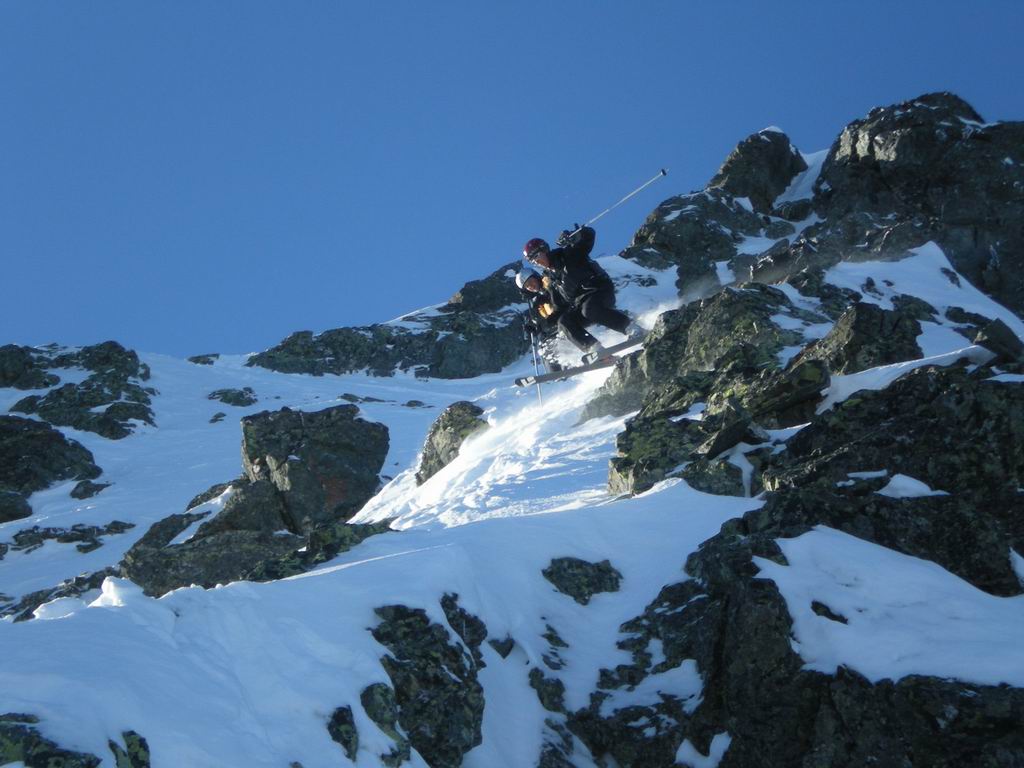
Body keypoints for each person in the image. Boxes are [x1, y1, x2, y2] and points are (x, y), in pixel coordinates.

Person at [522, 226, 642, 359]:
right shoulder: (551, 279)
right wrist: (540, 326)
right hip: (580, 303)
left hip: (599, 289)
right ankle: (596, 350)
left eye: (536, 256)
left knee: (590, 309)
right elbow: (559, 309)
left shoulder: (567, 255)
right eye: (532, 260)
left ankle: (632, 328)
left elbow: (588, 237)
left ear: (544, 249)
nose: (536, 261)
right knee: (564, 321)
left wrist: (576, 236)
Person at [515, 268, 565, 372]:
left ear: (536, 277)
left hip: (565, 322)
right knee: (544, 347)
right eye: (527, 286)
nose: (531, 286)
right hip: (553, 330)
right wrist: (532, 327)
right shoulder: (537, 302)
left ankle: (571, 364)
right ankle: (557, 375)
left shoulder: (550, 285)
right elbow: (539, 321)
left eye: (531, 281)